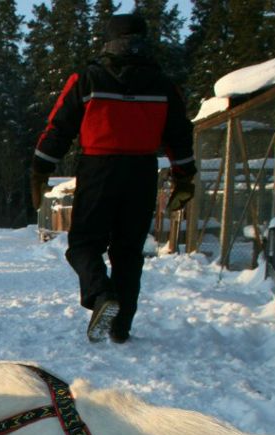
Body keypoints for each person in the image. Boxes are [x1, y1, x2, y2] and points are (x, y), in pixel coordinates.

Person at [31, 12, 196, 344]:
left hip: (99, 168)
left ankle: (100, 293)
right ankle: (121, 327)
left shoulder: (88, 79)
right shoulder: (163, 85)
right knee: (128, 251)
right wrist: (184, 176)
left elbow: (59, 127)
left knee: (82, 245)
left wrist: (41, 168)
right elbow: (180, 136)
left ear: (109, 41)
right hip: (141, 173)